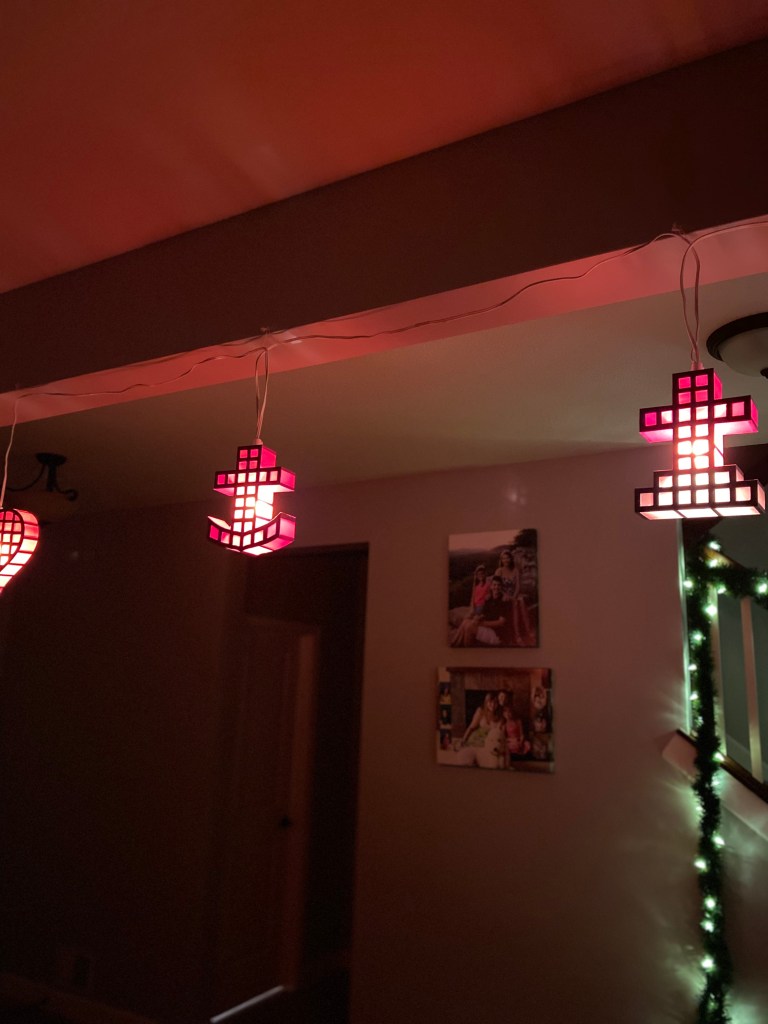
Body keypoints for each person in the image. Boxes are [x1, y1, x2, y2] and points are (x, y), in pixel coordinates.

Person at [450, 565, 492, 646]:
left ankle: (455, 643)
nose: (480, 575)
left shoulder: (488, 585)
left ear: (485, 574)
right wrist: (472, 609)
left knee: (467, 623)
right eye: (478, 574)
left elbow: (489, 598)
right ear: (476, 576)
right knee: (464, 622)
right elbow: (473, 599)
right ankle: (456, 642)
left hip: (481, 608)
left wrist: (487, 598)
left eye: (482, 573)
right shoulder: (476, 586)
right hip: (476, 608)